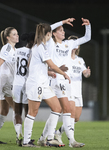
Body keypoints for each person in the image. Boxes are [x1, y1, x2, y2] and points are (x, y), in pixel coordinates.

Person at [38, 18, 91, 148]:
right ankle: (69, 141)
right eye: (61, 31)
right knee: (62, 110)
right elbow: (48, 28)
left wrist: (88, 26)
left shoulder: (68, 44)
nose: (63, 32)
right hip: (54, 79)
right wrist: (62, 22)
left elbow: (86, 38)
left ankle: (44, 138)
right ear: (54, 33)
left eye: (63, 30)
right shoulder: (50, 43)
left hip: (64, 80)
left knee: (60, 110)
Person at [22, 22, 71, 148]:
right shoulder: (40, 47)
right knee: (33, 112)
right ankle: (26, 141)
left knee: (57, 108)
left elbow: (30, 64)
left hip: (43, 83)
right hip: (35, 83)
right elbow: (52, 64)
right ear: (48, 34)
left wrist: (46, 72)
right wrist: (64, 74)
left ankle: (50, 139)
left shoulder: (37, 46)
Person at [54, 35, 91, 147]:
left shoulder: (80, 60)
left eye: (76, 42)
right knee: (71, 114)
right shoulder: (65, 59)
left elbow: (85, 73)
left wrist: (87, 73)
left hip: (78, 91)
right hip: (68, 89)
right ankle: (72, 141)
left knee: (76, 118)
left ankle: (58, 132)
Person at [0, 27, 18, 144]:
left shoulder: (14, 50)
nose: (17, 36)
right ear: (8, 37)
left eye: (17, 34)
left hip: (7, 82)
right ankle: (21, 137)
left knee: (4, 111)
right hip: (5, 83)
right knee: (17, 109)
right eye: (14, 34)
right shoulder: (7, 48)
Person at [12, 32, 35, 146]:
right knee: (28, 112)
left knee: (17, 112)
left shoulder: (17, 50)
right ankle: (27, 137)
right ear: (31, 41)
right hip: (27, 84)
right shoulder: (34, 52)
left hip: (16, 83)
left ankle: (18, 134)